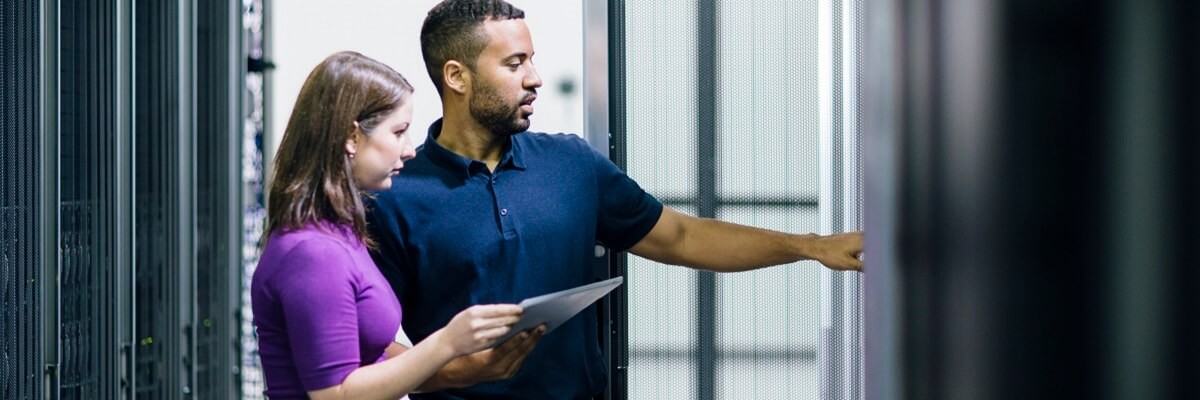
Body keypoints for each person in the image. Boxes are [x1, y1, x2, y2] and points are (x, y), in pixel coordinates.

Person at [365, 1, 865, 398]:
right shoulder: (392, 197)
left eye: (532, 59)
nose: (534, 77)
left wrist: (811, 247)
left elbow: (683, 236)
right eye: (515, 63)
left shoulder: (571, 164)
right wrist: (455, 372)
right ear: (457, 77)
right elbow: (369, 354)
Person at [251, 51, 526, 400]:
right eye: (399, 132)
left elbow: (373, 358)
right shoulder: (314, 252)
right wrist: (447, 342)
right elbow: (335, 395)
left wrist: (465, 365)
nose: (410, 150)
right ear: (352, 137)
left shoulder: (340, 233)